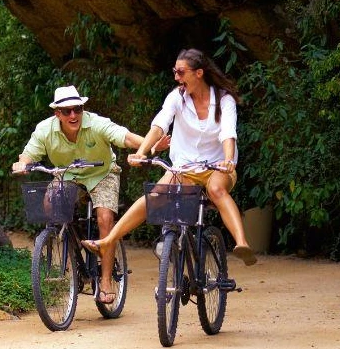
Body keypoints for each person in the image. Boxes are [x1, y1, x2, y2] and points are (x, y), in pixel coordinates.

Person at [81, 48, 258, 266]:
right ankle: (108, 240)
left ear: (199, 73)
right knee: (154, 197)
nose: (176, 77)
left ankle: (242, 243)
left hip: (217, 167)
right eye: (175, 72)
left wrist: (229, 159)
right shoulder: (177, 97)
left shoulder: (224, 100)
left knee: (215, 189)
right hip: (184, 168)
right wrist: (141, 152)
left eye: (181, 72)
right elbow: (159, 125)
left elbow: (228, 133)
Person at [11, 85, 168, 304]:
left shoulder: (96, 123)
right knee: (49, 204)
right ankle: (69, 258)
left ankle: (105, 281)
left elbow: (125, 137)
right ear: (57, 114)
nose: (73, 115)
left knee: (105, 218)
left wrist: (150, 145)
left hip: (102, 173)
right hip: (67, 175)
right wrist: (22, 164)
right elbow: (28, 154)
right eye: (67, 111)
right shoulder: (44, 130)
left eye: (77, 109)